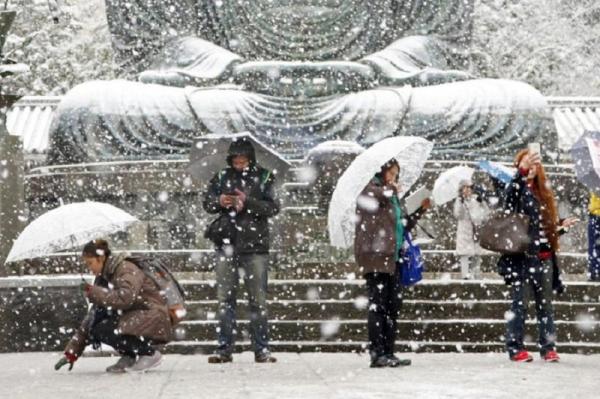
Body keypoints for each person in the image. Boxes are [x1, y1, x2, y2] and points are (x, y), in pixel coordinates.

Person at [202, 138, 280, 364]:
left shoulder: (265, 177)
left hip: (255, 246)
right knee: (225, 300)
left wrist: (248, 203)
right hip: (227, 243)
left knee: (258, 301)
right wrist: (220, 201)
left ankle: (261, 348)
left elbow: (273, 207)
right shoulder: (221, 177)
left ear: (250, 159)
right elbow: (207, 204)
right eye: (235, 161)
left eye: (242, 161)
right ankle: (224, 348)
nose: (238, 164)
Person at [498, 149, 578, 363]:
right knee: (520, 304)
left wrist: (560, 227)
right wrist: (521, 175)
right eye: (526, 163)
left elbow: (543, 230)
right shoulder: (515, 188)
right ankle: (515, 347)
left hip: (544, 257)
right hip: (523, 258)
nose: (532, 166)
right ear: (519, 167)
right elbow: (509, 205)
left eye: (534, 163)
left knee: (546, 306)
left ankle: (548, 347)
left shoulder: (543, 193)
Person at [354, 159, 430, 368]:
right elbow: (375, 200)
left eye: (396, 174)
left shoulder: (391, 195)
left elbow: (402, 224)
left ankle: (388, 351)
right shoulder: (369, 188)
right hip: (376, 256)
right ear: (382, 171)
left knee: (393, 305)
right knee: (378, 305)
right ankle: (377, 353)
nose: (394, 177)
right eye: (392, 173)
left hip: (394, 256)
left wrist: (420, 210)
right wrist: (390, 189)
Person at [54, 240, 172, 373]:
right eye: (86, 264)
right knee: (96, 326)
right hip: (134, 316)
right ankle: (129, 356)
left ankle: (149, 354)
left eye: (90, 263)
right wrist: (72, 352)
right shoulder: (104, 277)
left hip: (151, 315)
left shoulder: (125, 268)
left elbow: (125, 298)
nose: (89, 268)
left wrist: (93, 291)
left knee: (104, 329)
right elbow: (92, 316)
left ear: (102, 258)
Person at [453, 180, 489, 279]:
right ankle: (465, 276)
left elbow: (485, 215)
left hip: (476, 230)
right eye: (465, 187)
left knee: (477, 254)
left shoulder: (476, 199)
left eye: (469, 187)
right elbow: (458, 215)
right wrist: (461, 203)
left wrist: (482, 203)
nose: (468, 189)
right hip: (464, 231)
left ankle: (476, 274)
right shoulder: (459, 201)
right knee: (464, 254)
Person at [588, 192, 600, 281]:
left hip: (595, 215)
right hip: (595, 214)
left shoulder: (595, 181)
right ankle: (595, 270)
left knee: (593, 245)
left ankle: (595, 270)